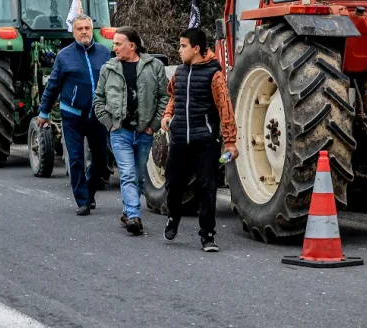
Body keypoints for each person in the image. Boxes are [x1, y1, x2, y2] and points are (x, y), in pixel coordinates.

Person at [161, 28, 239, 252]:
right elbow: (175, 97)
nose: (179, 50)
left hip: (204, 141)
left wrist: (230, 142)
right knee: (174, 185)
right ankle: (173, 217)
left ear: (196, 48)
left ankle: (207, 235)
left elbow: (225, 109)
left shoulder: (215, 75)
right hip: (179, 140)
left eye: (183, 46)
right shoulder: (179, 72)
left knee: (207, 187)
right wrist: (167, 115)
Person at [93, 27, 168, 235]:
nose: (114, 47)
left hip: (145, 132)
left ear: (132, 46)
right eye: (114, 43)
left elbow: (164, 97)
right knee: (127, 174)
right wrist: (110, 124)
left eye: (118, 43)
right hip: (120, 132)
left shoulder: (154, 67)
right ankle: (134, 215)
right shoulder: (108, 69)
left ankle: (128, 212)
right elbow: (98, 99)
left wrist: (153, 126)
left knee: (138, 177)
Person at [37, 14, 110, 216]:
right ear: (73, 31)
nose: (84, 31)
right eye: (80, 28)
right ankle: (83, 201)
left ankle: (90, 191)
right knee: (76, 158)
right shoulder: (64, 56)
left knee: (101, 160)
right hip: (72, 115)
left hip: (97, 115)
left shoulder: (105, 53)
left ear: (92, 29)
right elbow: (53, 85)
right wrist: (43, 112)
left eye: (87, 28)